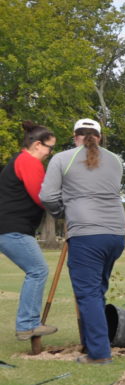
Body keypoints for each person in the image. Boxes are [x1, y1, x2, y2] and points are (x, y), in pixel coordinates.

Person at [40, 118, 125, 364]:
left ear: (74, 135)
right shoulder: (115, 160)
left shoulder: (62, 159)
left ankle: (99, 354)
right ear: (99, 136)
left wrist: (61, 213)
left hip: (87, 234)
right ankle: (93, 343)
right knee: (97, 291)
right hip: (116, 234)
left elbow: (48, 195)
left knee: (87, 294)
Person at [0, 122, 59, 342]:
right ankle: (27, 325)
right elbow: (41, 196)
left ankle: (29, 323)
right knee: (37, 270)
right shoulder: (29, 161)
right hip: (12, 229)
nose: (50, 153)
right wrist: (63, 208)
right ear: (36, 145)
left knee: (36, 270)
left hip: (10, 228)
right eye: (49, 148)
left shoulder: (20, 160)